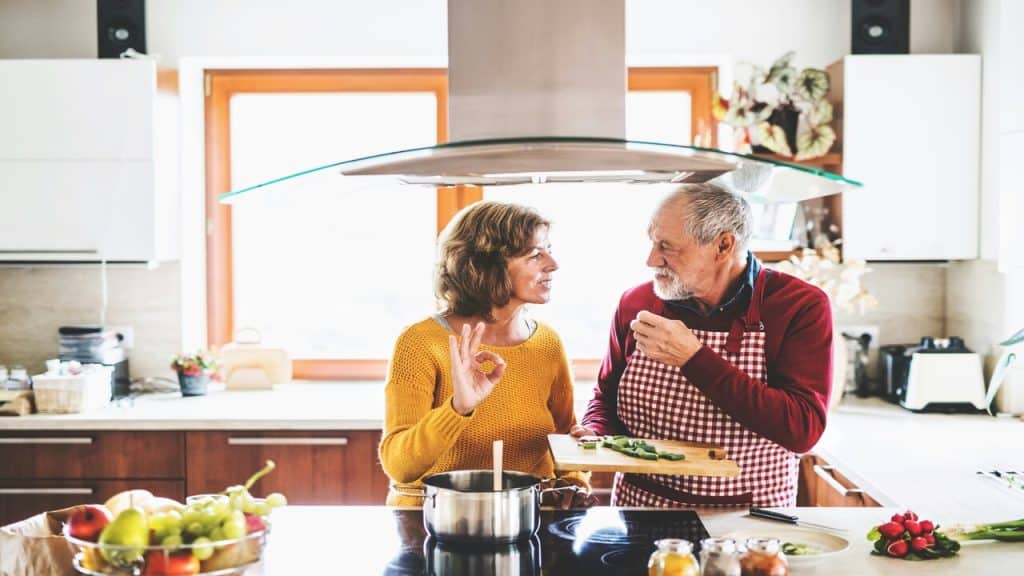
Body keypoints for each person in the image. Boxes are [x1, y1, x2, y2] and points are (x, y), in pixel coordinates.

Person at [572, 183, 833, 507]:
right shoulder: (636, 303)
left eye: (667, 246)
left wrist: (694, 358)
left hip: (749, 519)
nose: (651, 260)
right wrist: (594, 432)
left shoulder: (798, 306)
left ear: (723, 245)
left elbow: (802, 430)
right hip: (640, 509)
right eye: (652, 242)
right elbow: (605, 397)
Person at [380, 200, 593, 508]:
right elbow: (399, 465)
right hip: (434, 523)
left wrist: (573, 481)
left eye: (548, 249)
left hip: (525, 519)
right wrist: (457, 409)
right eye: (535, 254)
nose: (552, 263)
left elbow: (563, 438)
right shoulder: (421, 343)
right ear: (485, 266)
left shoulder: (547, 342)